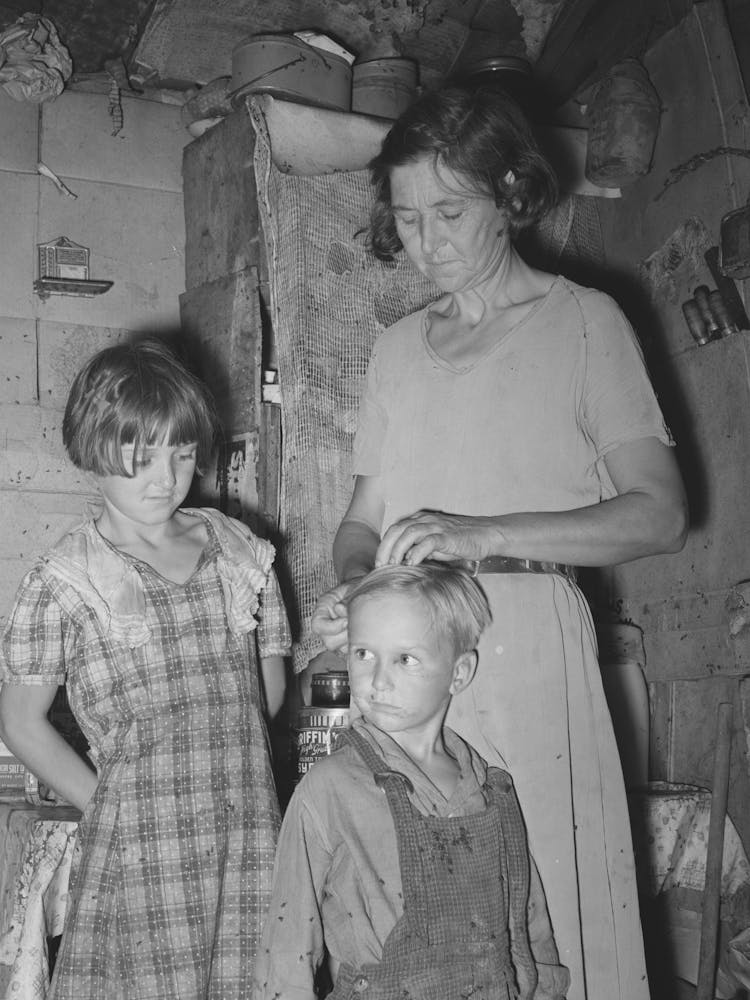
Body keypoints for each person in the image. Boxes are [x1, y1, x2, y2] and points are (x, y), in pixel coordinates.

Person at [310, 84, 689, 1000]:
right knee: (419, 912)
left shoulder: (587, 323)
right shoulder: (397, 350)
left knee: (551, 901)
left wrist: (479, 534)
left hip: (528, 654)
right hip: (410, 662)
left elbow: (662, 514)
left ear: (513, 195)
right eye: (406, 220)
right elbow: (360, 524)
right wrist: (363, 584)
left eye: (449, 212)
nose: (426, 243)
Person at [0, 338, 291, 999]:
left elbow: (267, 692)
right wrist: (105, 804)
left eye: (181, 455)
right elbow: (19, 721)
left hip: (247, 837)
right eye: (142, 460)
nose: (165, 478)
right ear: (93, 453)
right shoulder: (68, 577)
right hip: (139, 853)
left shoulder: (240, 551)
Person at [255, 562, 570, 1000]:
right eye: (364, 654)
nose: (378, 680)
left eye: (405, 659)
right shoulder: (328, 790)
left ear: (458, 674)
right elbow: (287, 949)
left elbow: (530, 928)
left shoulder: (491, 789)